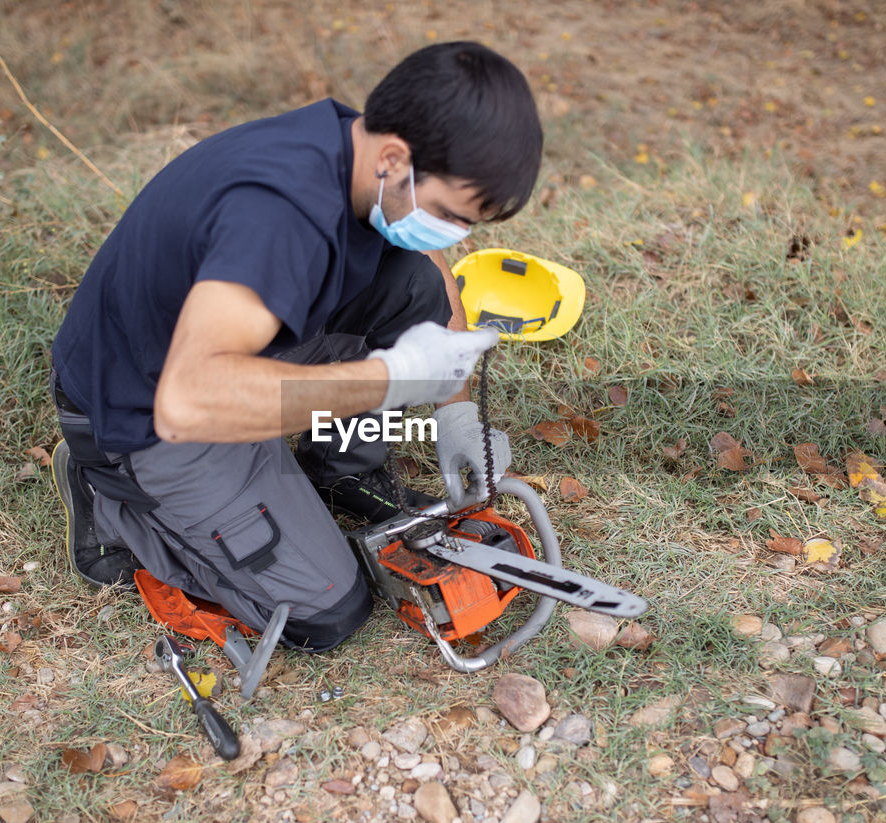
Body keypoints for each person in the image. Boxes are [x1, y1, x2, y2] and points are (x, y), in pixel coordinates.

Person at [48, 42, 543, 653]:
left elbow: (427, 270)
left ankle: (338, 470)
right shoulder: (278, 218)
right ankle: (113, 497)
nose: (452, 233)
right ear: (395, 157)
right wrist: (389, 378)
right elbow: (188, 402)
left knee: (409, 284)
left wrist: (456, 413)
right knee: (329, 608)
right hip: (151, 410)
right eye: (447, 213)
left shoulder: (354, 149)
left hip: (222, 359)